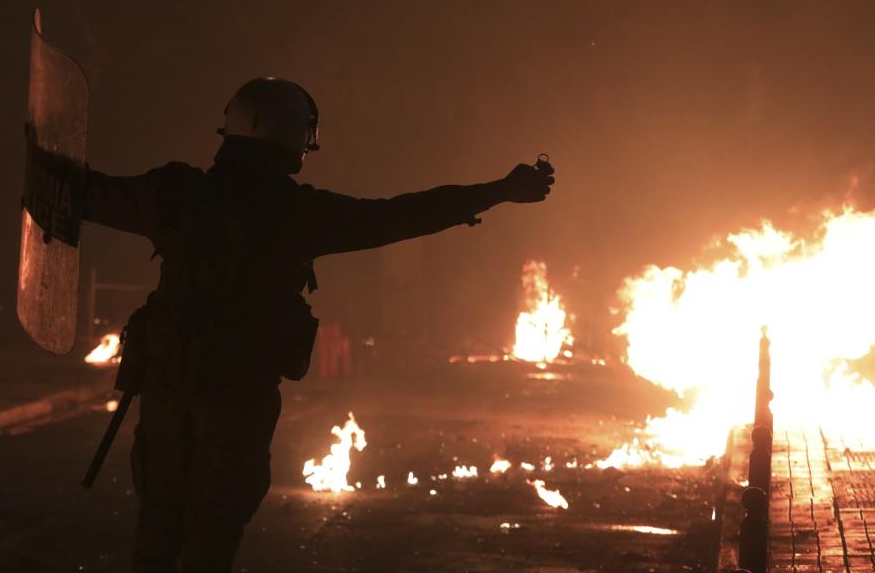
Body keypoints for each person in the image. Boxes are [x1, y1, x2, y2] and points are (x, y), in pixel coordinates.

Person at [80, 77, 555, 571]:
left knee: (157, 528)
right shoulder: (298, 214)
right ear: (294, 141)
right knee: (211, 538)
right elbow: (399, 216)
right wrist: (498, 191)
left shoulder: (173, 194)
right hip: (236, 397)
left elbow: (88, 195)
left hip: (166, 388)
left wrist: (48, 165)